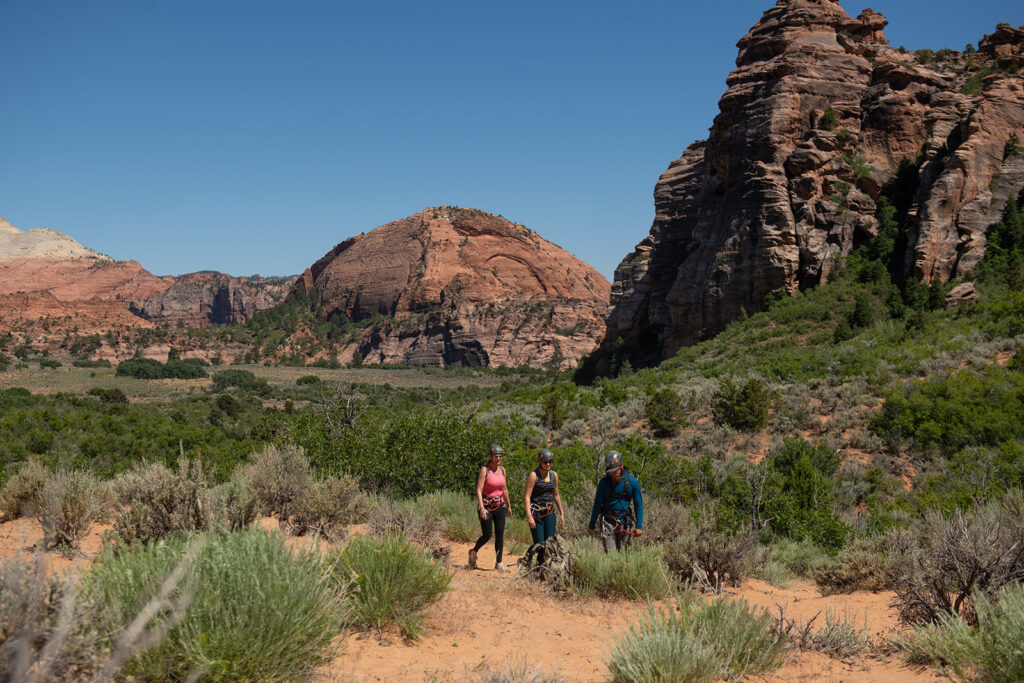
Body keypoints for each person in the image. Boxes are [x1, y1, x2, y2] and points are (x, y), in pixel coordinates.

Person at [587, 451, 643, 552]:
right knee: (611, 556)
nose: (613, 473)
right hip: (608, 522)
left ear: (621, 465)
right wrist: (592, 525)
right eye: (610, 471)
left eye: (615, 470)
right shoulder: (603, 483)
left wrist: (639, 526)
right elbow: (597, 505)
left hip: (625, 522)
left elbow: (638, 504)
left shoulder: (632, 482)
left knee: (625, 554)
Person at [469, 444, 511, 571]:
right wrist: (482, 507)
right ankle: (473, 551)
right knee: (487, 535)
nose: (498, 459)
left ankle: (499, 563)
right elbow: (478, 490)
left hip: (499, 505)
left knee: (500, 534)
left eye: (500, 457)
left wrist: (509, 505)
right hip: (486, 506)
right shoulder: (484, 470)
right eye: (496, 457)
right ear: (490, 457)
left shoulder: (503, 470)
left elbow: (504, 489)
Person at [524, 448, 564, 565]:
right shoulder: (533, 475)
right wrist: (529, 516)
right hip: (536, 514)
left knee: (549, 543)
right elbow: (527, 496)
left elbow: (556, 494)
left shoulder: (554, 475)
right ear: (540, 462)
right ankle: (527, 561)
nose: (548, 464)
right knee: (539, 544)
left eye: (550, 462)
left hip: (549, 513)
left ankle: (541, 568)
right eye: (545, 462)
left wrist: (562, 513)